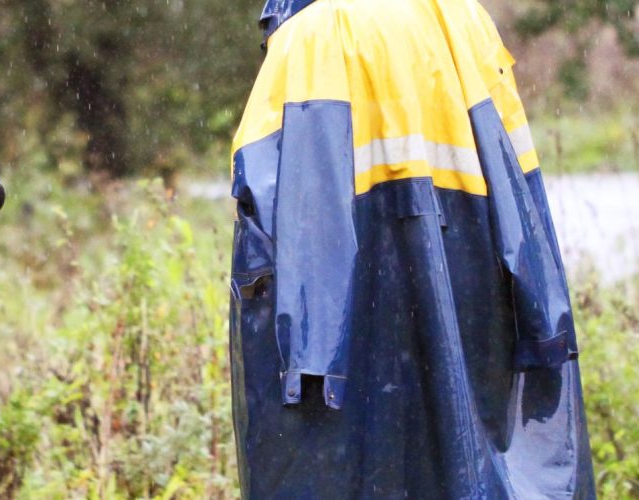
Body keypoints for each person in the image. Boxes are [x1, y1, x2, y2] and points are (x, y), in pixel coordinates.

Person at [228, 0, 594, 497]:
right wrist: (542, 320)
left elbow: (275, 237)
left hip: (349, 319)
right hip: (472, 285)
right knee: (462, 468)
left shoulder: (310, 39)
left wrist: (310, 354)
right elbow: (522, 199)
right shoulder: (466, 20)